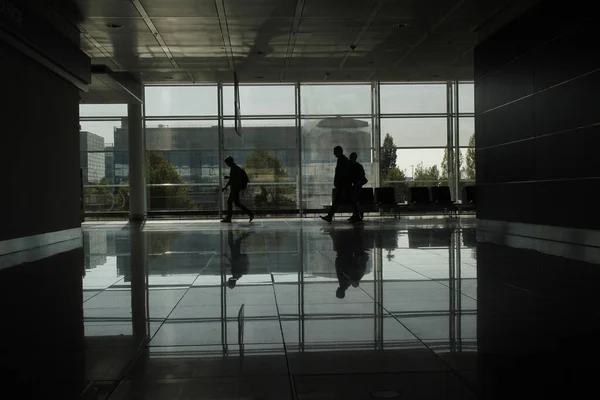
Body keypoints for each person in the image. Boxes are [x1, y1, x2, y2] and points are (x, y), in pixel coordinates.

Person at [320, 146, 359, 223]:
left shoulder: (342, 160)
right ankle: (330, 216)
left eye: (335, 151)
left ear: (339, 152)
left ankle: (330, 216)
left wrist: (339, 183)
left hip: (343, 185)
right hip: (344, 185)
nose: (334, 153)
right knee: (348, 201)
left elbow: (341, 174)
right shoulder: (343, 160)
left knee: (343, 201)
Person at [221, 156, 254, 223]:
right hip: (237, 188)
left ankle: (229, 217)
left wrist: (225, 187)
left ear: (230, 162)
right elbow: (234, 178)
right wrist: (229, 177)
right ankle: (250, 213)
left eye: (227, 163)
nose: (227, 165)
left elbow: (231, 180)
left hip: (235, 188)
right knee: (237, 203)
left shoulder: (234, 168)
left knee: (229, 202)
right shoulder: (237, 168)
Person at [348, 152, 368, 223]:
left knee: (354, 201)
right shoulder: (358, 166)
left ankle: (357, 215)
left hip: (356, 186)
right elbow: (363, 175)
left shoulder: (353, 166)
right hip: (358, 185)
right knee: (354, 201)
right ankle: (356, 214)